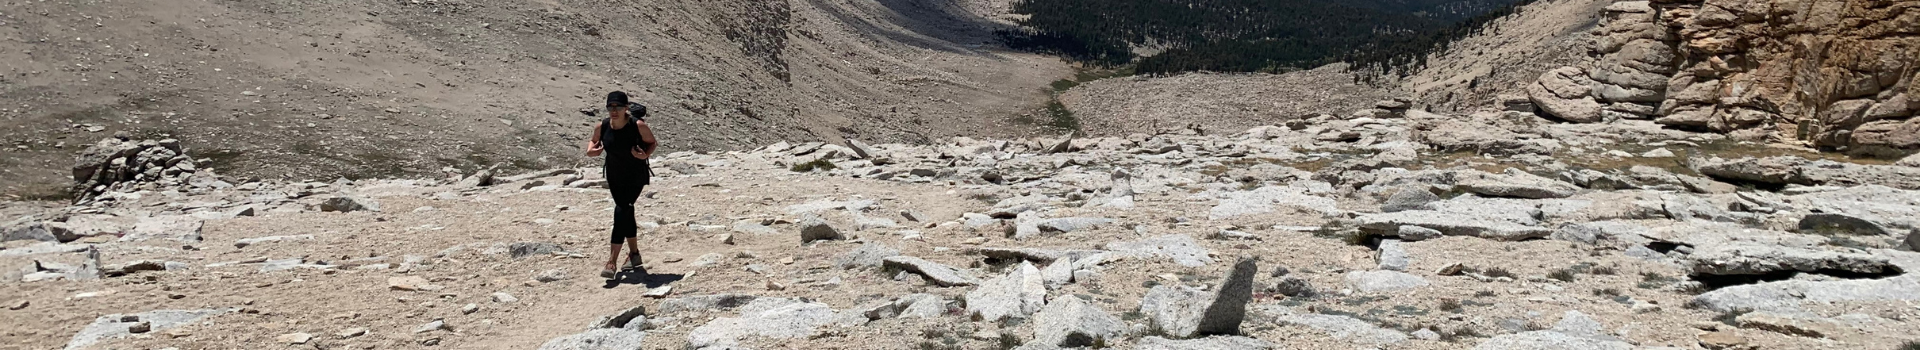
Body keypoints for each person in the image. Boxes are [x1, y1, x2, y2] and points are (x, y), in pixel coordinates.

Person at [586, 91, 658, 278]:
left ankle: (612, 261)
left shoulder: (638, 125)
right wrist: (592, 151)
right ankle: (634, 255)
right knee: (626, 211)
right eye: (611, 107)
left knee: (621, 209)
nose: (614, 111)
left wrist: (644, 155)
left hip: (635, 175)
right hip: (614, 175)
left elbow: (652, 143)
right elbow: (593, 143)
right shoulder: (602, 126)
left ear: (626, 108)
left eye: (618, 107)